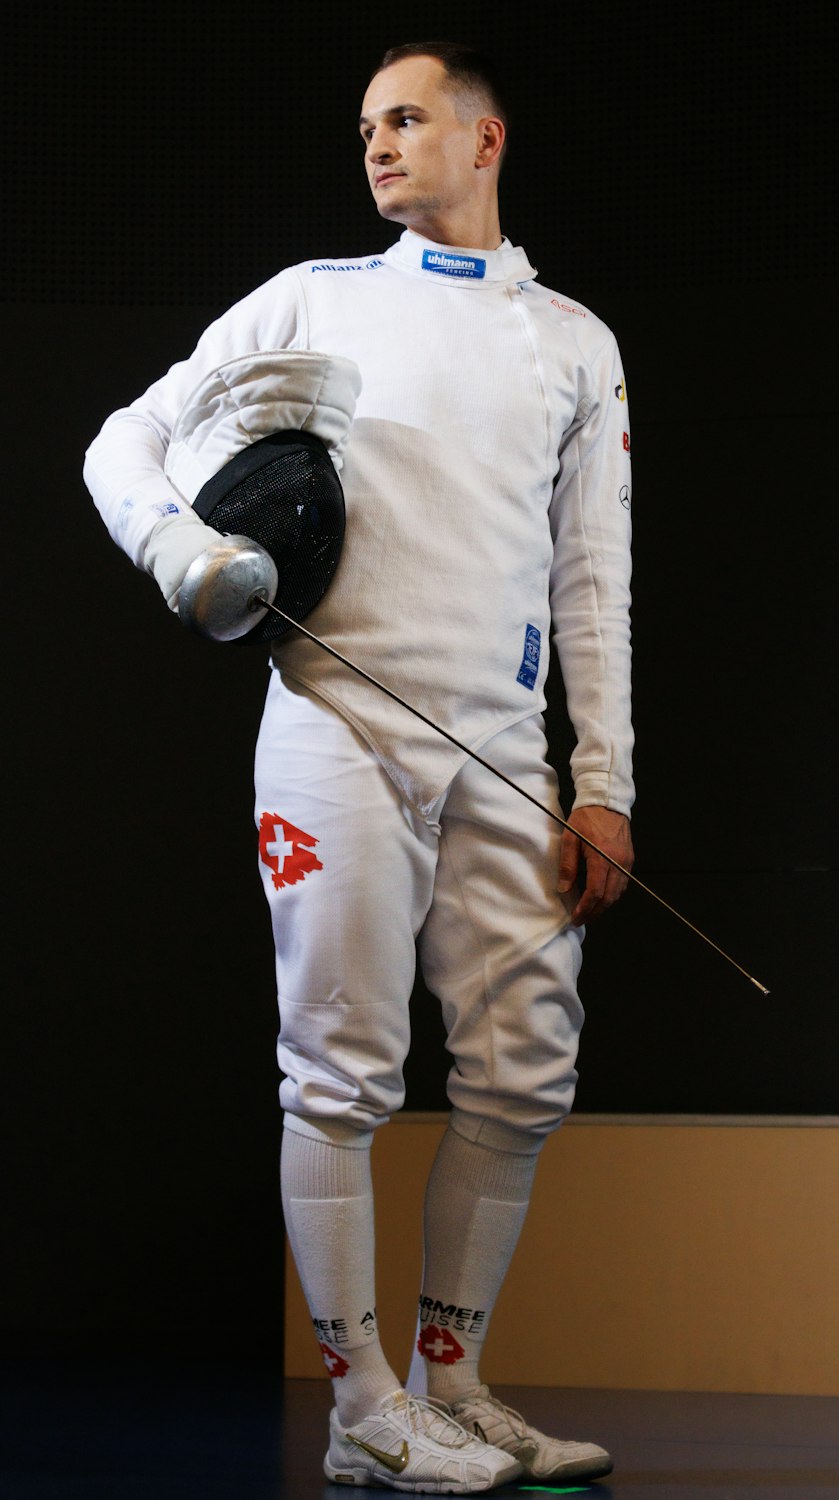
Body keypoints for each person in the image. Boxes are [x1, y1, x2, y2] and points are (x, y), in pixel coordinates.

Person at [84, 40, 634, 1494]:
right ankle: (362, 1409)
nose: (380, 144)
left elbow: (595, 582)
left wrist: (607, 782)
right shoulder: (313, 298)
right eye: (367, 126)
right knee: (340, 1076)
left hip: (510, 755)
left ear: (485, 138)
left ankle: (449, 1383)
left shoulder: (574, 340)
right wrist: (188, 551)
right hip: (337, 728)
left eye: (408, 119)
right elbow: (121, 442)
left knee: (522, 1078)